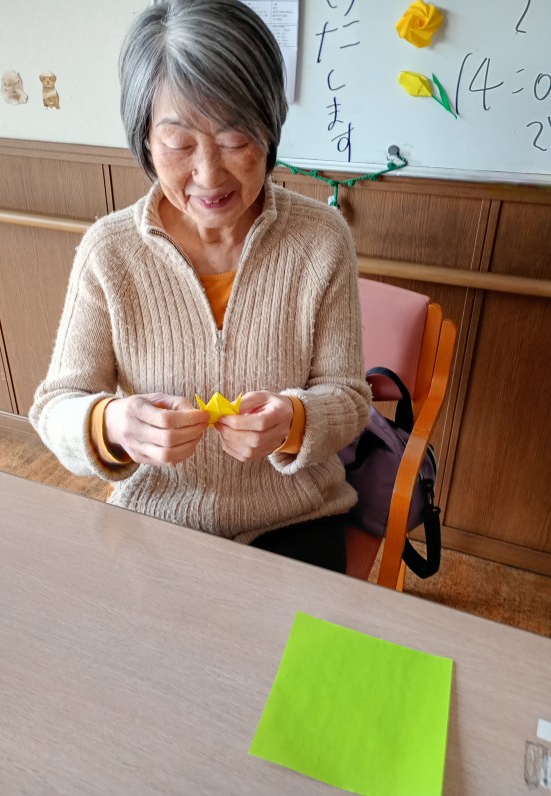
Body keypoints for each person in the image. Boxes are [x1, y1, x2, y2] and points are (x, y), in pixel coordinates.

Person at [29, 0, 371, 573]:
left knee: (297, 637)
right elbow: (55, 408)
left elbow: (350, 398)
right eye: (179, 143)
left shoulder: (321, 239)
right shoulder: (110, 251)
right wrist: (112, 423)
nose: (209, 174)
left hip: (297, 522)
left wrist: (294, 420)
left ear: (270, 129)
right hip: (157, 524)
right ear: (144, 138)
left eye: (236, 139)